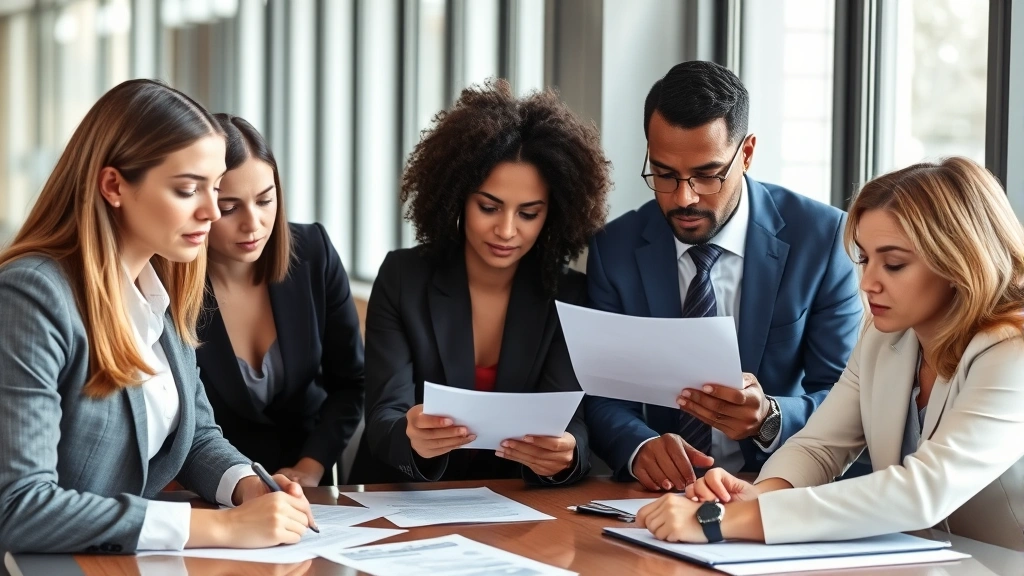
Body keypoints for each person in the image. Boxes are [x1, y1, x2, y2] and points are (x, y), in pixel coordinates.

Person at [636, 157, 1024, 551]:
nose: (869, 283)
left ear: (959, 262)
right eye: (865, 259)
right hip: (932, 560)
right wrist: (757, 496)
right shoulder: (883, 338)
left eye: (893, 264)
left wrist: (721, 520)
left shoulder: (1014, 351)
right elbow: (819, 446)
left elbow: (924, 491)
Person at [0, 79, 315, 554]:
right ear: (114, 186)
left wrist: (249, 487)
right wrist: (222, 529)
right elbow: (19, 507)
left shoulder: (160, 288)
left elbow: (194, 438)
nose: (212, 211)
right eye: (190, 189)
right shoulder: (33, 295)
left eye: (214, 189)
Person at [585, 60, 863, 491]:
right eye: (663, 174)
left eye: (707, 175)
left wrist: (770, 416)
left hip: (775, 488)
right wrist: (639, 448)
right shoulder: (614, 249)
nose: (684, 198)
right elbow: (602, 394)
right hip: (661, 498)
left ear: (746, 154)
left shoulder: (823, 240)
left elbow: (848, 397)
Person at [352, 79, 610, 484]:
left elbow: (571, 422)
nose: (506, 230)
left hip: (513, 507)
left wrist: (566, 456)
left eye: (528, 213)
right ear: (457, 198)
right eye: (489, 207)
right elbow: (384, 416)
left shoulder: (570, 296)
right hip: (401, 496)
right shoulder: (404, 278)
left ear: (553, 215)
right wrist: (412, 436)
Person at [197, 114, 364, 487]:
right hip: (208, 486)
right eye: (229, 207)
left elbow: (354, 382)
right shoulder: (168, 284)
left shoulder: (313, 254)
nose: (253, 223)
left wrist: (312, 465)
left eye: (265, 200)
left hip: (307, 485)